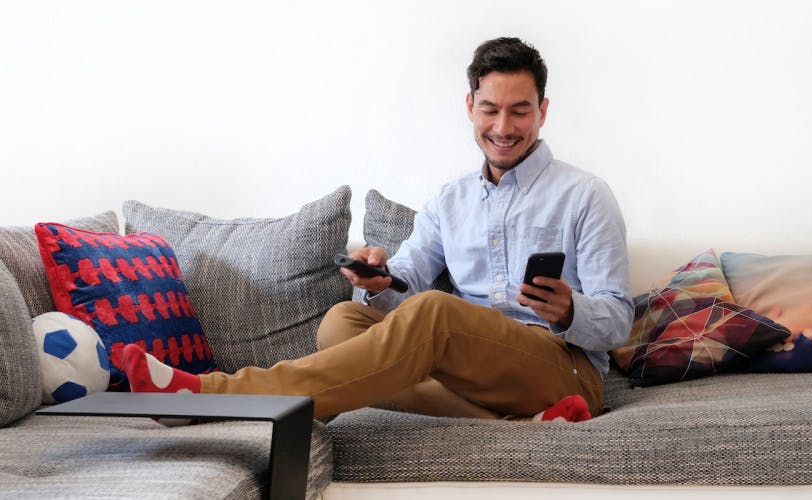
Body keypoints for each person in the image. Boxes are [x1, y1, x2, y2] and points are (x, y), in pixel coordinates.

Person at [124, 37, 633, 423]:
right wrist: (380, 281)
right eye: (490, 109)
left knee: (434, 311)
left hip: (561, 366)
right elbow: (406, 279)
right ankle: (526, 426)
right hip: (468, 369)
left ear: (542, 112)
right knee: (341, 322)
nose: (504, 126)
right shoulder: (449, 200)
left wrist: (570, 310)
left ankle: (218, 396)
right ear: (469, 108)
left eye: (520, 110)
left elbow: (616, 320)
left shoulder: (585, 195)